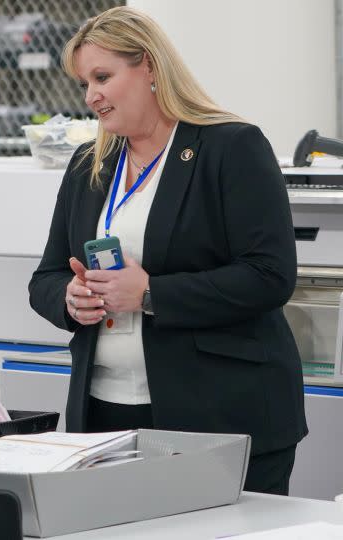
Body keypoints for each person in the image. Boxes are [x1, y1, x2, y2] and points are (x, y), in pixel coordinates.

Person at [28, 6, 306, 496]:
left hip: (219, 414)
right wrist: (70, 299)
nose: (91, 96)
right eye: (83, 84)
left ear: (150, 68)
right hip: (104, 414)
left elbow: (270, 275)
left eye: (102, 77)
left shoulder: (230, 147)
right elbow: (46, 276)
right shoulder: (89, 164)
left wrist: (151, 293)